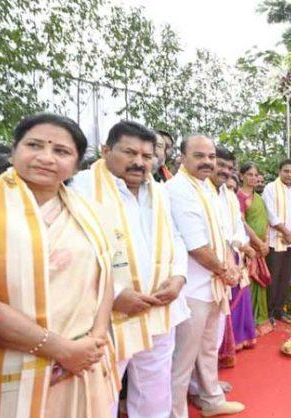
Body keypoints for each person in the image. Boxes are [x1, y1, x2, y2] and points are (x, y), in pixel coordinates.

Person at [0, 113, 118, 417]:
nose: (46, 158)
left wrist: (94, 341)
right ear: (14, 150)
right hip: (14, 361)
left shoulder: (91, 213)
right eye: (34, 145)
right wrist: (60, 350)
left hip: (81, 364)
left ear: (76, 164)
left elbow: (104, 277)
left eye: (61, 151)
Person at [70, 120, 190, 418]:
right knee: (102, 392)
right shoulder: (80, 189)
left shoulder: (159, 192)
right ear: (106, 150)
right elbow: (72, 252)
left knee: (155, 386)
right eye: (129, 152)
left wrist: (178, 277)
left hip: (160, 307)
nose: (139, 162)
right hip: (107, 314)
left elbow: (174, 238)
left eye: (147, 156)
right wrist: (115, 295)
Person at [166, 135, 244, 417]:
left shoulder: (207, 189)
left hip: (213, 284)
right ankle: (176, 413)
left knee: (209, 348)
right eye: (199, 156)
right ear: (182, 158)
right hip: (192, 288)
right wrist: (225, 271)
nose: (207, 162)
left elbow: (221, 234)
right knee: (182, 359)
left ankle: (211, 400)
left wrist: (231, 265)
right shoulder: (177, 189)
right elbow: (196, 245)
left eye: (211, 156)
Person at [210, 147, 255, 368]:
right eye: (221, 165)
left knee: (221, 315)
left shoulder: (227, 196)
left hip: (234, 256)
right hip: (213, 263)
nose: (226, 171)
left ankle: (217, 364)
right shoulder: (202, 193)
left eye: (229, 167)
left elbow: (236, 225)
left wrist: (241, 246)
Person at [263, 159, 291, 323]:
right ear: (279, 171)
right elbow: (271, 214)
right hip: (276, 241)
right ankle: (270, 313)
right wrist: (286, 232)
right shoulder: (270, 188)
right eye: (286, 171)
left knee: (286, 277)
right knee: (273, 277)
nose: (289, 175)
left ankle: (280, 310)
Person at [238, 162, 273, 335]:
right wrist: (258, 243)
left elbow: (265, 221)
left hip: (262, 247)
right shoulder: (239, 196)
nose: (253, 178)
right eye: (249, 174)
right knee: (250, 283)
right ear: (241, 175)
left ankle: (261, 319)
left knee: (261, 283)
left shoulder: (259, 197)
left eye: (255, 175)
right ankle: (249, 322)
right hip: (249, 248)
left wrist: (265, 241)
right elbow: (242, 223)